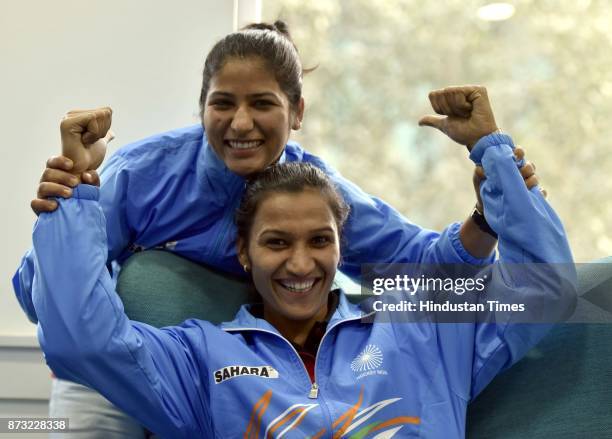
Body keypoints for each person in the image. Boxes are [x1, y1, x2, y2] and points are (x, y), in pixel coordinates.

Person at [16, 22, 540, 437]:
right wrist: (76, 199)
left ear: (296, 113)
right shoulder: (139, 173)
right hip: (134, 368)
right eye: (223, 103)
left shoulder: (321, 196)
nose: (241, 124)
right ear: (202, 109)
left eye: (262, 103)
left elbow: (425, 266)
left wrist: (491, 199)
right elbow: (55, 308)